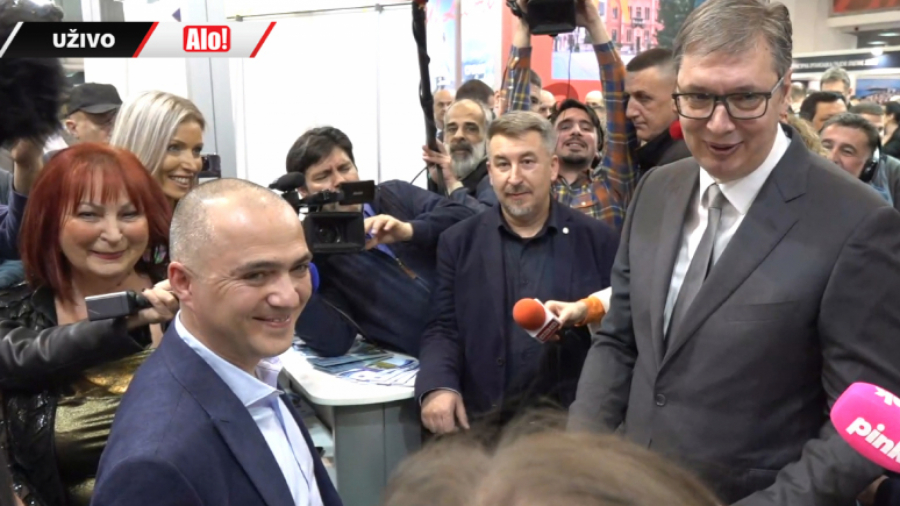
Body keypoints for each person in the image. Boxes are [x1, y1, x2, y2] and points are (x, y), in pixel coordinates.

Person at [568, 1, 900, 504]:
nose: (718, 124)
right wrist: (575, 463)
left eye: (745, 97)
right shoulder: (657, 189)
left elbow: (861, 425)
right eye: (698, 97)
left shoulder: (858, 222)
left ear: (784, 93)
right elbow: (618, 341)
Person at [93, 179, 342, 506]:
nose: (289, 297)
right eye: (256, 275)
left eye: (298, 268)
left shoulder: (251, 364)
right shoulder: (155, 464)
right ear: (183, 283)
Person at [416, 112, 618, 434]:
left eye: (527, 162)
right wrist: (438, 385)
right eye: (502, 164)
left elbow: (618, 331)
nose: (514, 178)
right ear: (490, 171)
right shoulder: (458, 242)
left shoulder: (598, 241)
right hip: (482, 427)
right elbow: (443, 327)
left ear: (552, 167)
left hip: (569, 429)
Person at [0, 143, 176, 506]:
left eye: (129, 214)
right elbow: (21, 358)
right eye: (88, 215)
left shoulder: (182, 299)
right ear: (49, 221)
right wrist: (131, 321)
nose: (113, 234)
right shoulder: (15, 313)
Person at [293, 127, 473, 358]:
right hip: (434, 357)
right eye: (323, 176)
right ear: (304, 191)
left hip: (481, 322)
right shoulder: (317, 252)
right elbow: (334, 342)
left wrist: (409, 230)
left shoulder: (394, 194)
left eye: (345, 168)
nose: (340, 181)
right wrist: (296, 273)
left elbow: (467, 219)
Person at [503, 0, 640, 232]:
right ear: (548, 140)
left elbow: (618, 100)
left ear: (599, 143)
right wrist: (525, 23)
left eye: (586, 127)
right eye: (565, 126)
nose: (576, 131)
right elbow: (514, 123)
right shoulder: (532, 184)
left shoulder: (614, 183)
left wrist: (592, 20)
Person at [109, 91, 205, 207]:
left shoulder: (200, 215)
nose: (192, 166)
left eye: (196, 150)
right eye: (174, 148)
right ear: (138, 147)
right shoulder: (107, 216)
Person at [820, 112, 900, 210]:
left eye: (847, 151)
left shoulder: (876, 211)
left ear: (868, 167)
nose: (831, 157)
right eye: (826, 146)